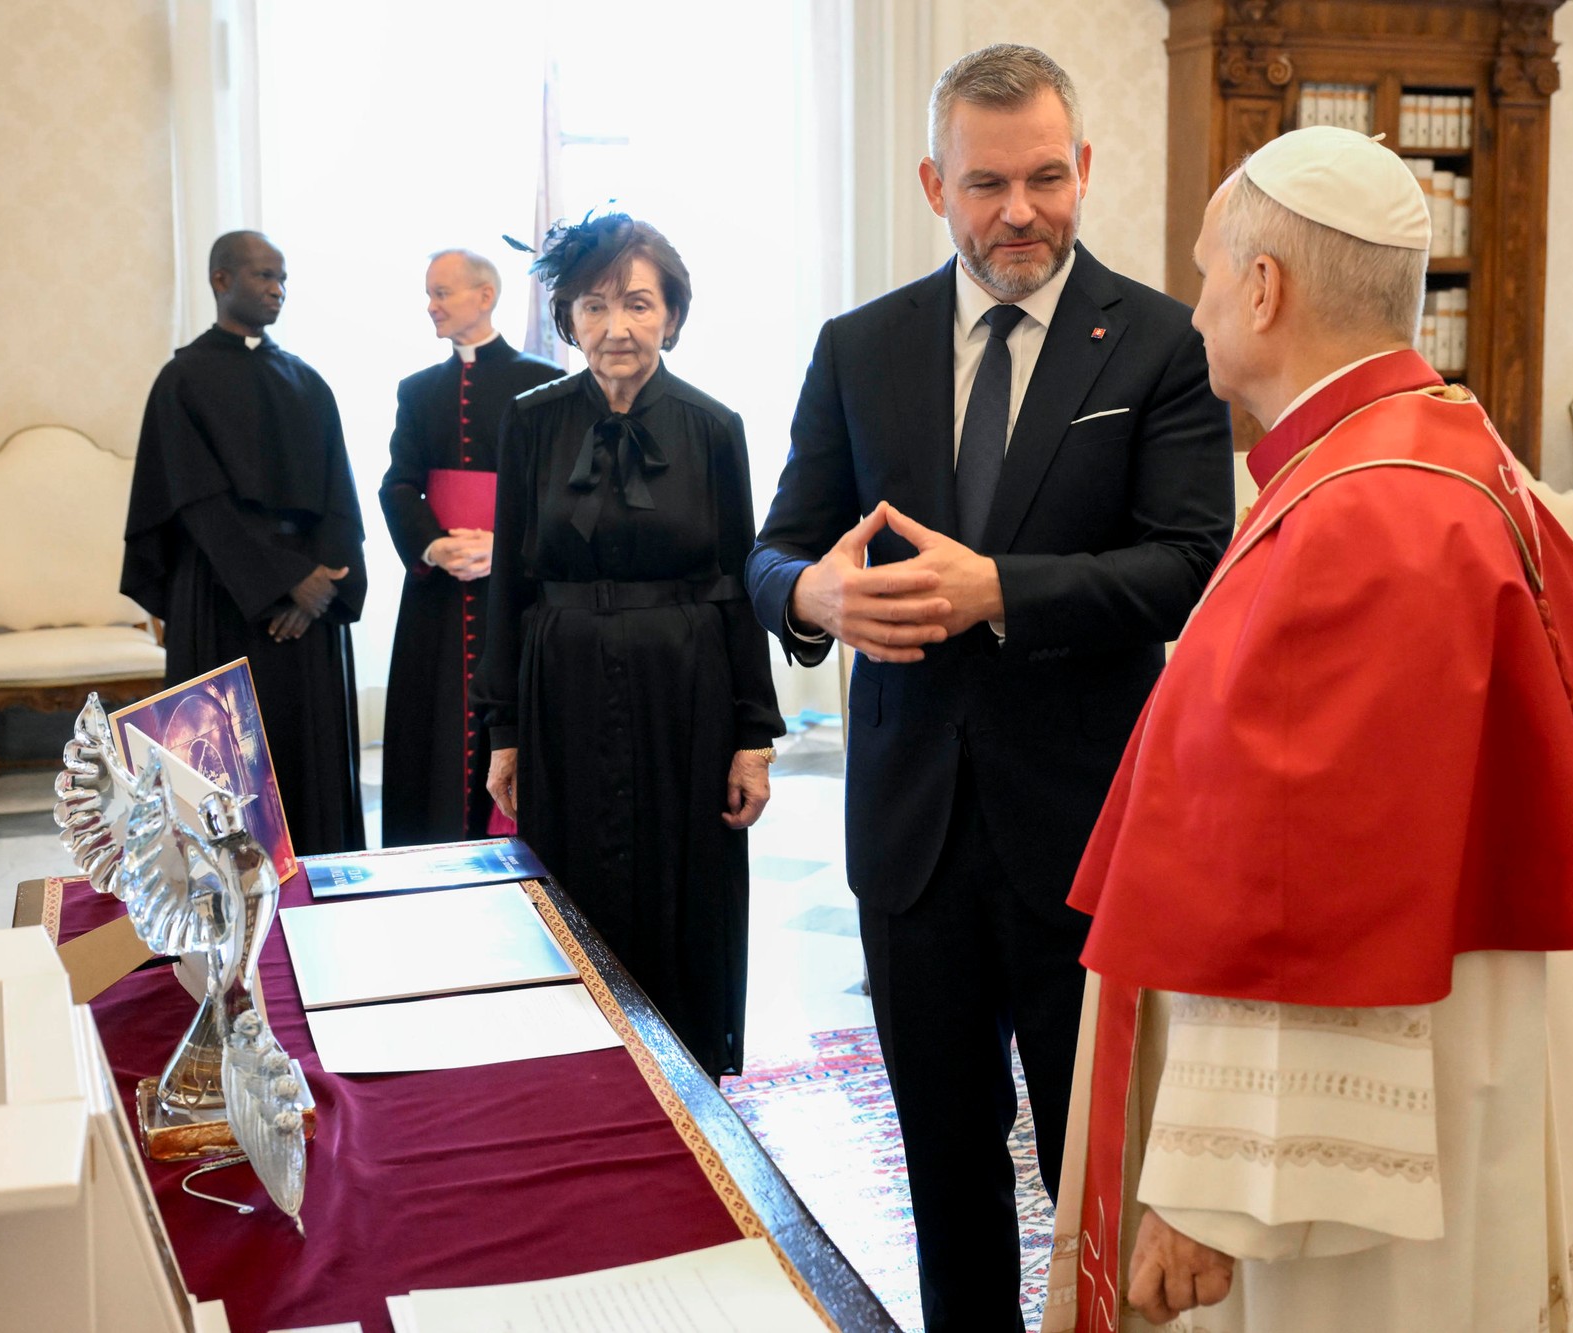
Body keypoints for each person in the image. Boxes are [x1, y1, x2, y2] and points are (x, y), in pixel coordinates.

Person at [1043, 126, 1573, 1332]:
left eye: (1202, 272)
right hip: (1444, 1052)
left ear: (1264, 287)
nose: (1191, 312)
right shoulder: (1438, 448)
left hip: (1357, 1135)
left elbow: (1305, 888)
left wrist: (1209, 1189)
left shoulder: (1360, 517)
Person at [745, 45, 1233, 1331]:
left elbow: (1188, 564)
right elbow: (772, 547)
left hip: (1086, 834)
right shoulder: (859, 347)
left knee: (1097, 1169)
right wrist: (814, 599)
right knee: (946, 1171)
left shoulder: (1158, 343)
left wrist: (999, 590)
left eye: (1043, 177)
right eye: (984, 183)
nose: (1018, 210)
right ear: (932, 184)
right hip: (908, 837)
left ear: (1083, 169)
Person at [473, 213, 782, 1080]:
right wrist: (502, 726)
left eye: (639, 305)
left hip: (686, 684)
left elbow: (736, 580)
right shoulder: (530, 422)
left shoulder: (714, 427)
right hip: (559, 679)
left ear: (672, 317)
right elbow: (511, 584)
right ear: (569, 317)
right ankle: (584, 1068)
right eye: (596, 305)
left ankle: (687, 1070)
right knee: (574, 876)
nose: (618, 327)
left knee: (684, 883)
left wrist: (753, 736)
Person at [122, 230, 368, 855]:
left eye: (282, 278)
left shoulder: (306, 381)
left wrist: (324, 584)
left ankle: (317, 884)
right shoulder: (182, 380)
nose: (276, 289)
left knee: (309, 770)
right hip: (224, 599)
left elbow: (341, 494)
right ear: (221, 280)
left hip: (307, 614)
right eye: (263, 276)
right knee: (225, 768)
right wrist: (286, 581)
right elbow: (197, 502)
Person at [379, 248, 562, 846]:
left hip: (512, 587)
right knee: (431, 729)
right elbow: (399, 482)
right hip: (436, 592)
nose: (430, 305)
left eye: (442, 293)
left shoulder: (543, 383)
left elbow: (556, 487)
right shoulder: (418, 390)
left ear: (485, 296)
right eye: (429, 294)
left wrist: (501, 545)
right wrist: (432, 547)